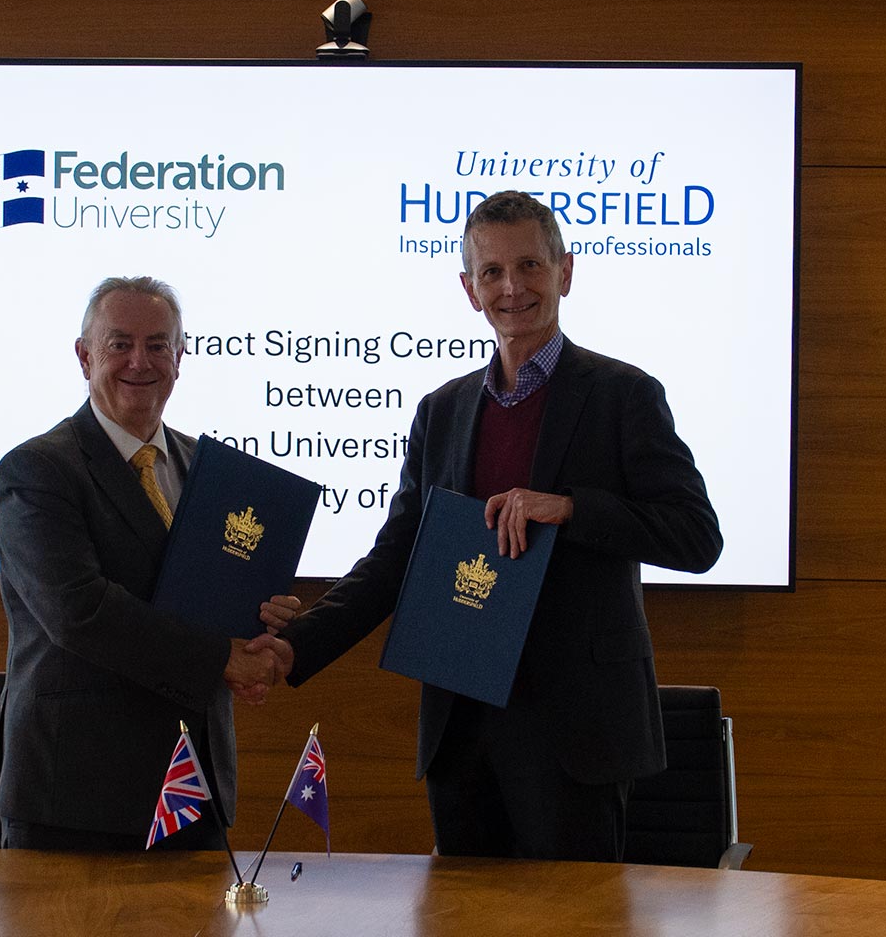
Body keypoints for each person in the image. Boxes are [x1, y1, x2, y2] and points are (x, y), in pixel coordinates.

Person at [254, 191, 723, 862]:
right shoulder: (439, 411)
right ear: (470, 290)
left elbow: (696, 535)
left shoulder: (624, 395)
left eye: (530, 266)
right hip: (462, 725)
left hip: (575, 733)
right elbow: (394, 561)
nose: (512, 288)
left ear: (565, 271)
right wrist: (296, 647)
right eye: (492, 273)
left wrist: (569, 507)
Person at [0, 276, 293, 851]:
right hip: (75, 795)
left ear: (181, 357)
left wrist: (259, 623)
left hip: (192, 783)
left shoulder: (210, 470)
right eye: (119, 344)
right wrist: (221, 659)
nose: (140, 361)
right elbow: (80, 612)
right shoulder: (37, 471)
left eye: (158, 345)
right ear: (84, 356)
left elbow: (207, 595)